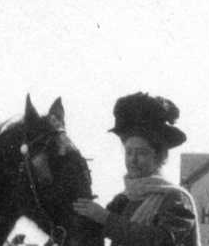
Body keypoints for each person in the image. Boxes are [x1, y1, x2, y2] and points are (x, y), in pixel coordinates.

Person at [73, 92, 201, 246]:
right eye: (129, 152)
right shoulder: (123, 200)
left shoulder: (175, 199)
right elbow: (92, 230)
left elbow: (163, 240)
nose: (133, 160)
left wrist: (105, 217)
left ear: (159, 157)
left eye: (142, 153)